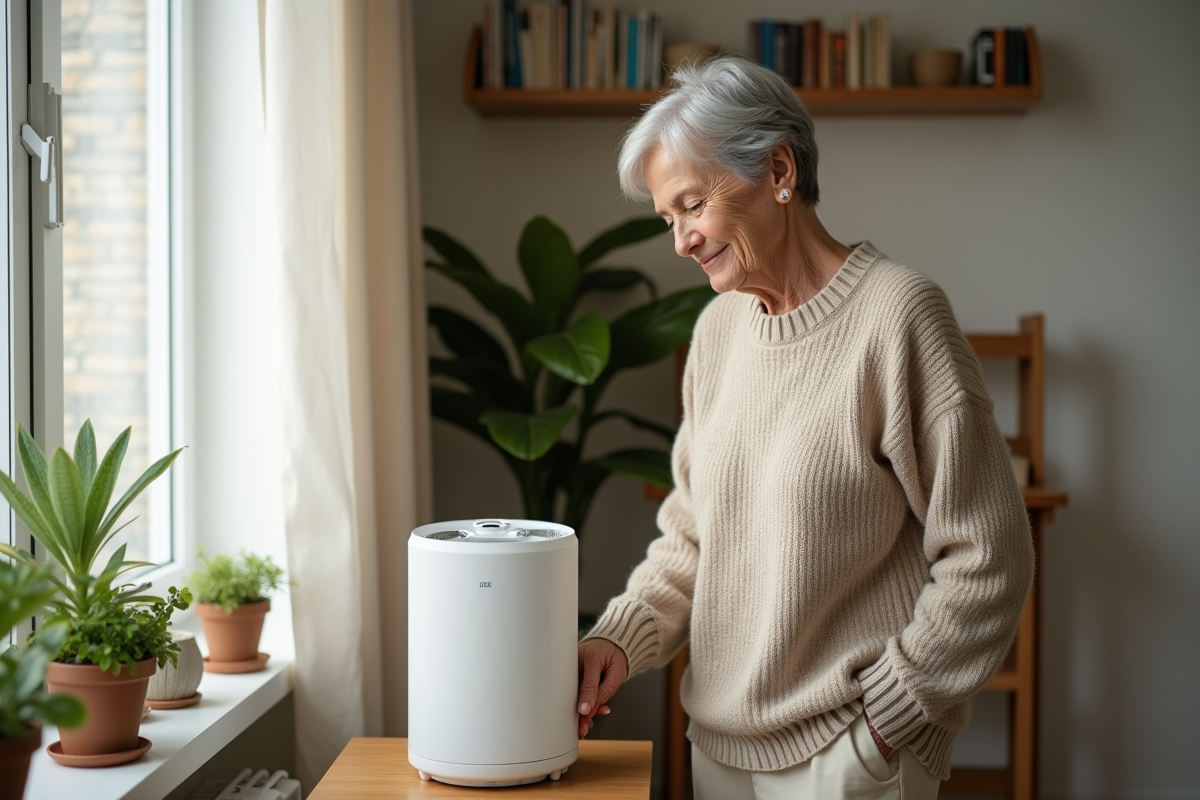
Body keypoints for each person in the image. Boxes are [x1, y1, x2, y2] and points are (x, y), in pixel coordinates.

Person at [575, 56, 1034, 799]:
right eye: (668, 219)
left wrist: (891, 715)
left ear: (778, 170)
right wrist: (616, 638)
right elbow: (694, 534)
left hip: (848, 751)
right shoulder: (719, 330)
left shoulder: (898, 315)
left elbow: (991, 552)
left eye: (692, 205)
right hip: (718, 749)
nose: (681, 240)